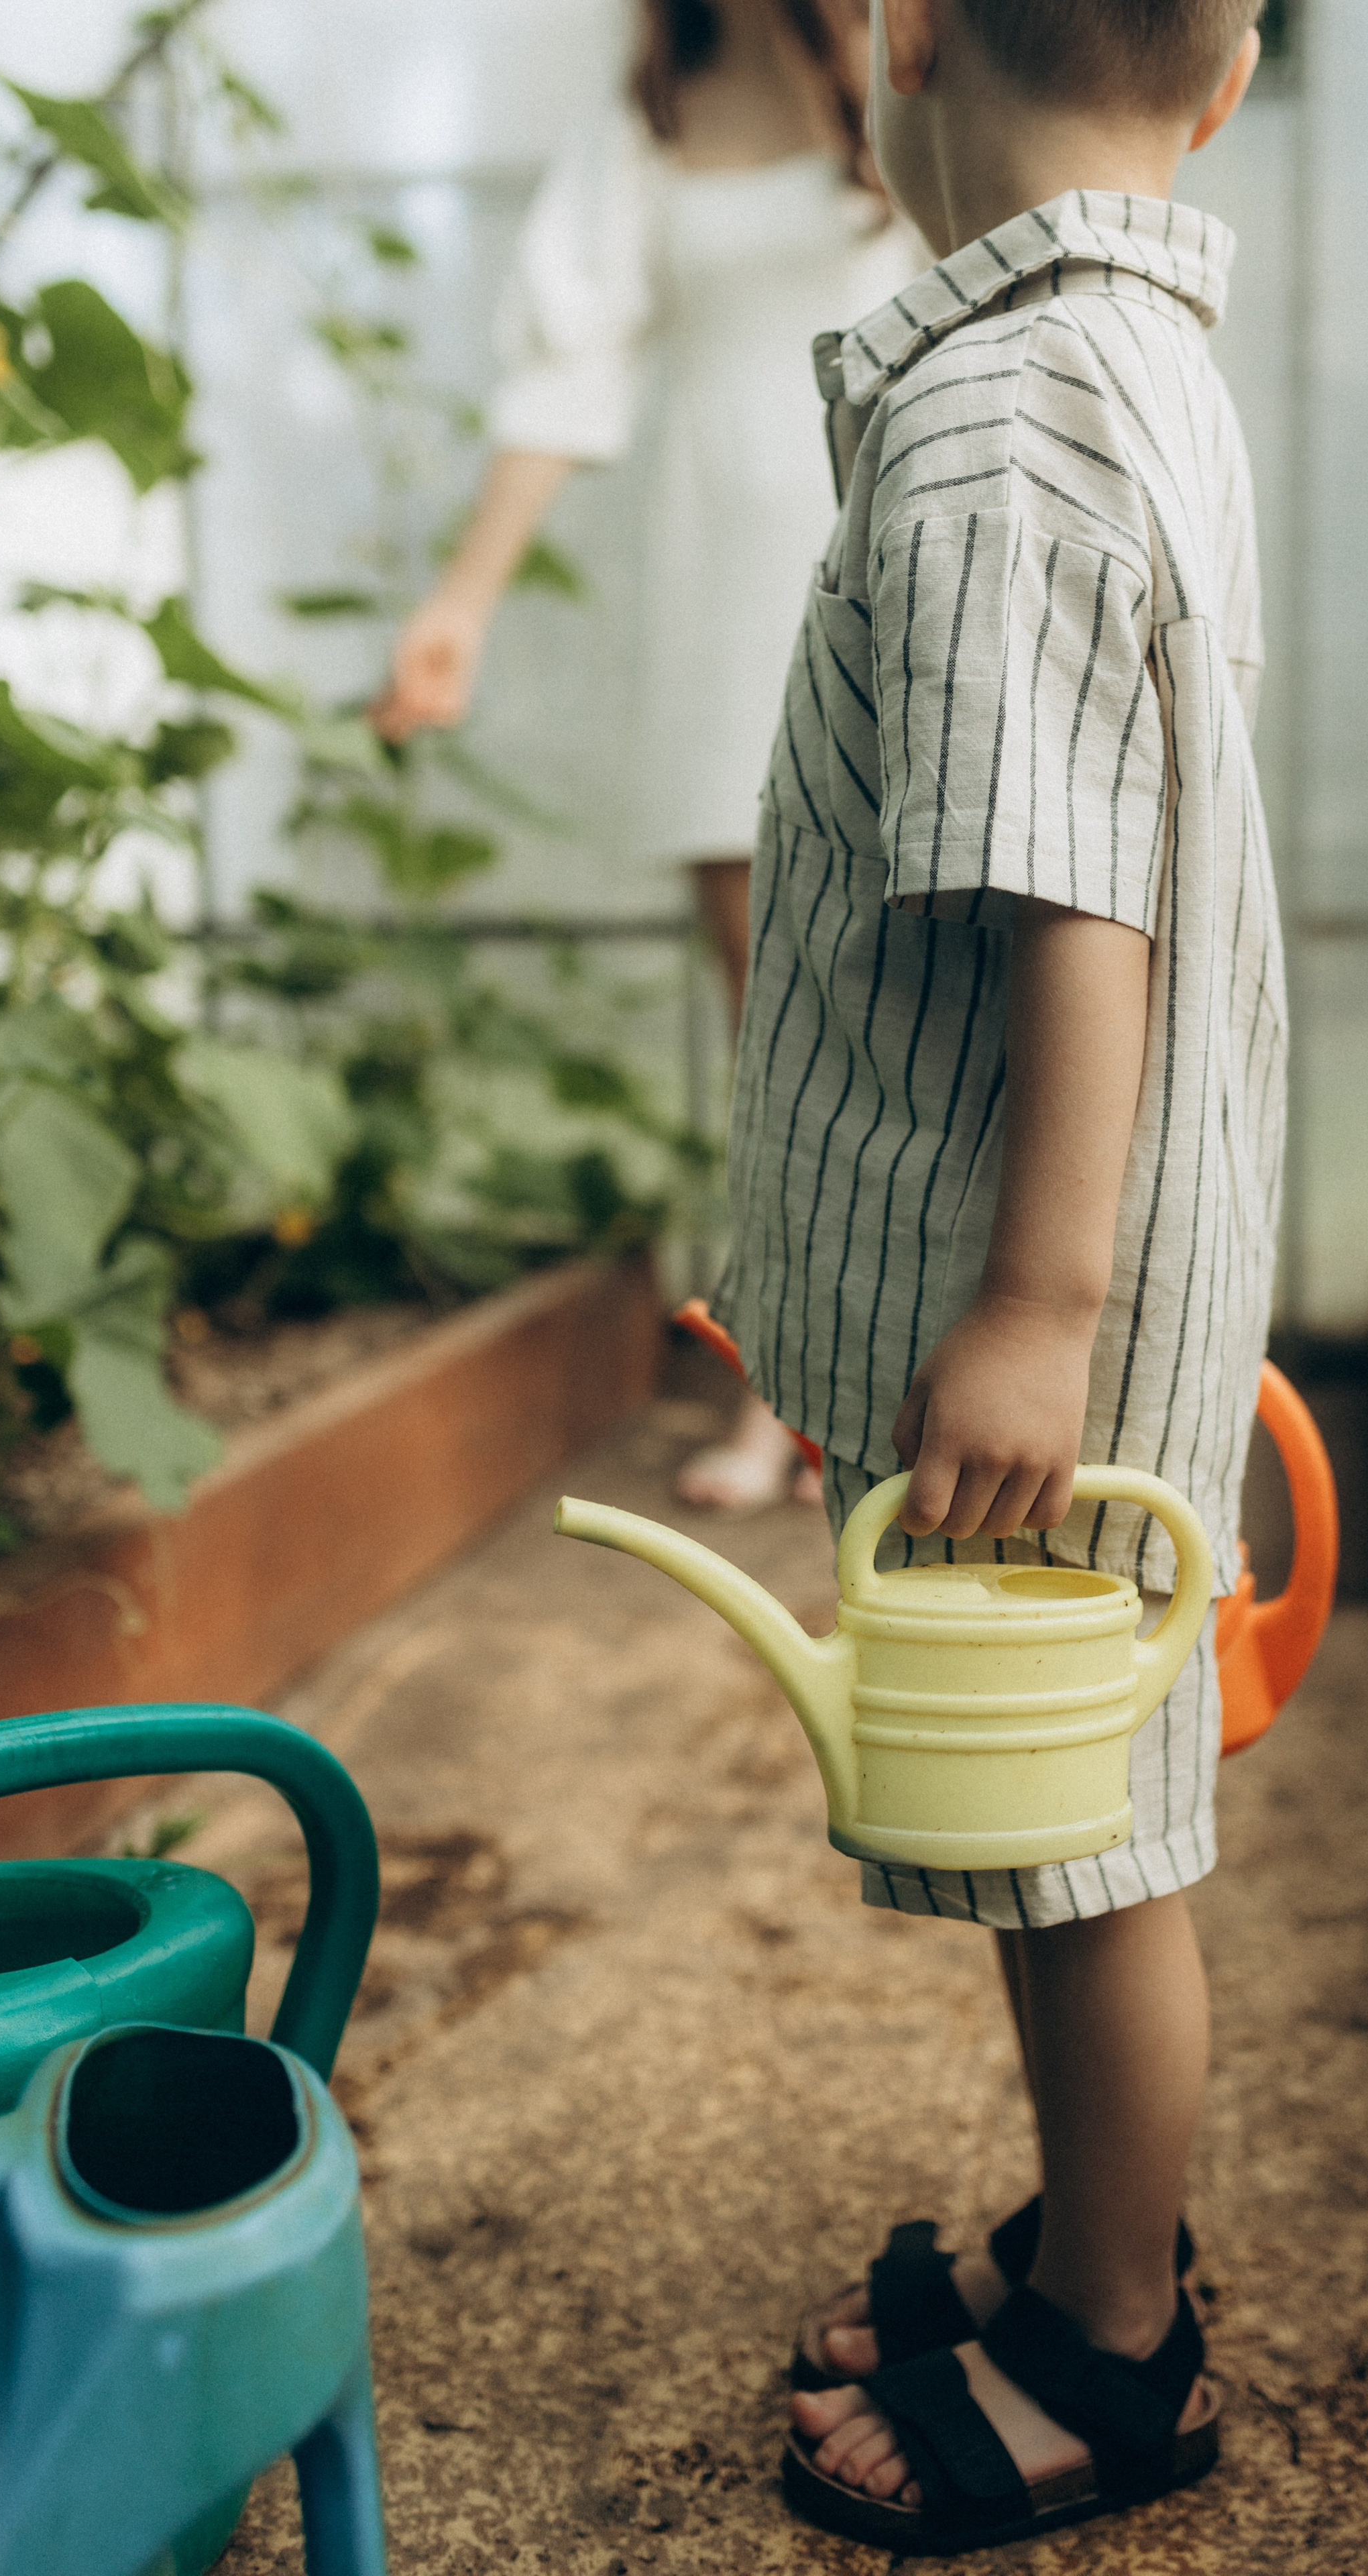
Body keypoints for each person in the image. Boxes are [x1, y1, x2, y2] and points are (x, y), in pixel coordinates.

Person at [709, 0, 1284, 2548]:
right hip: (1101, 1230)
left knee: (1090, 1841)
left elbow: (1084, 899)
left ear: (891, 39)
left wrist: (1036, 1305)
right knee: (1066, 1810)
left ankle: (1113, 2349)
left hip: (1048, 1257)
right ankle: (1097, 2221)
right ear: (1231, 76)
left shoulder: (996, 419)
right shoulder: (1135, 356)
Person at [370, 0, 920, 1509]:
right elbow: (565, 364)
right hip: (717, 582)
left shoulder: (900, 57)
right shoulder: (653, 109)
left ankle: (921, 1381)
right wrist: (459, 605)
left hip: (883, 554)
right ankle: (782, 1397)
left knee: (924, 992)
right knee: (767, 1030)